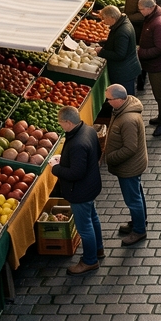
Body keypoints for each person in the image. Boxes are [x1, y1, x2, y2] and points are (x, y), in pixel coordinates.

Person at [50, 106, 103, 275]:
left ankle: (89, 261)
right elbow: (97, 153)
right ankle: (98, 249)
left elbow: (76, 173)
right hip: (91, 185)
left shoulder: (77, 144)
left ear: (68, 122)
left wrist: (56, 168)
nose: (60, 126)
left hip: (80, 191)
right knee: (93, 217)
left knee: (84, 228)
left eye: (61, 123)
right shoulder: (88, 130)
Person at [104, 84, 149, 247]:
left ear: (119, 99)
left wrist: (110, 158)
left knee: (133, 199)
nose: (107, 102)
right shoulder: (123, 110)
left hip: (129, 166)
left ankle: (139, 230)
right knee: (137, 192)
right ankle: (140, 221)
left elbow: (130, 148)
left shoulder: (128, 119)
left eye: (109, 99)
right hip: (134, 164)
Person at [137, 0, 161, 136]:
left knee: (160, 94)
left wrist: (142, 52)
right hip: (158, 63)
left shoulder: (157, 23)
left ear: (150, 8)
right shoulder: (154, 17)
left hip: (158, 64)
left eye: (141, 9)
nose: (140, 12)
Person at [97, 6, 141, 93]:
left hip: (124, 72)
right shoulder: (124, 22)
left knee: (126, 97)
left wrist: (101, 52)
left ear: (111, 18)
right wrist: (106, 42)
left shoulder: (121, 32)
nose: (104, 21)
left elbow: (119, 55)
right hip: (128, 68)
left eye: (104, 18)